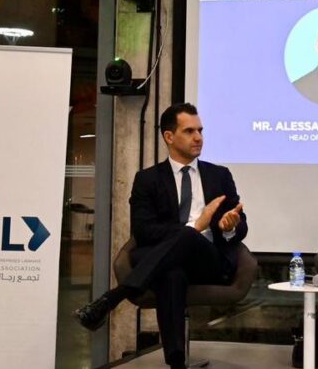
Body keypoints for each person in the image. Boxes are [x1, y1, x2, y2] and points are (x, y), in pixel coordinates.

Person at [74, 103, 247, 369]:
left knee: (190, 237)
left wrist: (228, 226)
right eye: (189, 131)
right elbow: (143, 231)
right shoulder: (147, 179)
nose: (198, 137)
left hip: (207, 260)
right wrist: (194, 227)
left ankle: (114, 297)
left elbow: (241, 225)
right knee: (171, 274)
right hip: (164, 261)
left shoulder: (219, 175)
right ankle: (177, 363)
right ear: (169, 136)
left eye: (200, 130)